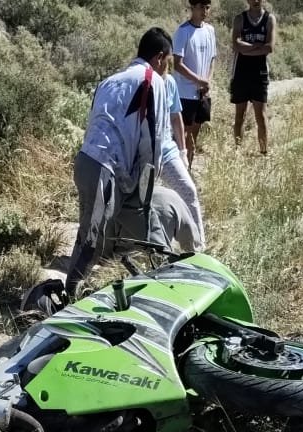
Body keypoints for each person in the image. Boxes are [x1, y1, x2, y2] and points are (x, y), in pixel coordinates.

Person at [62, 27, 174, 301]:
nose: (167, 68)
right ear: (160, 57)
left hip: (88, 162)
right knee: (92, 241)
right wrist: (146, 187)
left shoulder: (110, 81)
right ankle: (67, 302)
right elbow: (154, 139)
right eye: (168, 61)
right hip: (107, 171)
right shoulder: (152, 80)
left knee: (95, 233)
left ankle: (166, 275)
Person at [160, 63, 206, 251]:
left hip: (166, 151)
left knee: (188, 191)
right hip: (142, 153)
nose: (167, 65)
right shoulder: (139, 82)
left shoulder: (169, 81)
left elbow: (175, 115)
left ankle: (197, 248)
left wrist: (182, 150)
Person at [172, 1, 217, 169]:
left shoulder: (210, 31)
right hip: (185, 92)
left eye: (207, 7)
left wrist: (208, 81)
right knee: (182, 134)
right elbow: (177, 64)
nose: (204, 11)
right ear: (193, 7)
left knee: (195, 132)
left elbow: (212, 58)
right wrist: (198, 80)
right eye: (200, 7)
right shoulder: (183, 32)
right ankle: (177, 170)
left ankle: (188, 168)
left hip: (203, 92)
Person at [230, 0, 276, 155]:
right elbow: (236, 45)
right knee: (239, 116)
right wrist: (257, 46)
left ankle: (263, 152)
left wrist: (247, 49)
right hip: (241, 72)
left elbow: (269, 47)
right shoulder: (240, 19)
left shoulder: (269, 19)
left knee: (261, 116)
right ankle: (238, 152)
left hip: (260, 73)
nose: (255, 1)